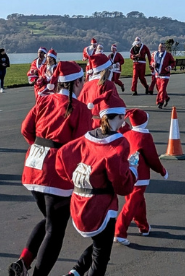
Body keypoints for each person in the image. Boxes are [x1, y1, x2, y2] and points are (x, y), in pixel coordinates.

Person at [9, 61, 89, 276]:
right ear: (75, 83)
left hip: (33, 166)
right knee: (55, 230)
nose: (84, 85)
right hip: (57, 172)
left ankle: (24, 261)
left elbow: (26, 129)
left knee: (49, 221)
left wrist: (39, 146)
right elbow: (82, 145)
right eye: (82, 81)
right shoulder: (80, 109)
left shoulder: (44, 100)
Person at [55, 93, 137, 276]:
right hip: (100, 207)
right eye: (122, 116)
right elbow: (121, 184)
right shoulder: (118, 144)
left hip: (78, 203)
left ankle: (75, 273)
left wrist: (75, 179)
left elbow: (62, 155)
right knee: (101, 256)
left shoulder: (86, 138)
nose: (124, 119)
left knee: (99, 243)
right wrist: (133, 171)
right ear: (117, 117)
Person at [114, 108, 168, 246]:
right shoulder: (145, 137)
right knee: (132, 203)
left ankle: (143, 226)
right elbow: (152, 158)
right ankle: (119, 231)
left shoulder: (127, 133)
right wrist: (161, 170)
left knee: (137, 201)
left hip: (127, 173)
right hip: (140, 175)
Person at [151, 43, 176, 109]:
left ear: (165, 48)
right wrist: (153, 64)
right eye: (160, 46)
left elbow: (173, 62)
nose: (161, 48)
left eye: (162, 47)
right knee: (159, 89)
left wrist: (169, 67)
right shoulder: (154, 54)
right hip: (158, 74)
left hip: (165, 75)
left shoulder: (168, 55)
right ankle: (166, 98)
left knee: (162, 89)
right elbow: (151, 61)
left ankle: (160, 102)